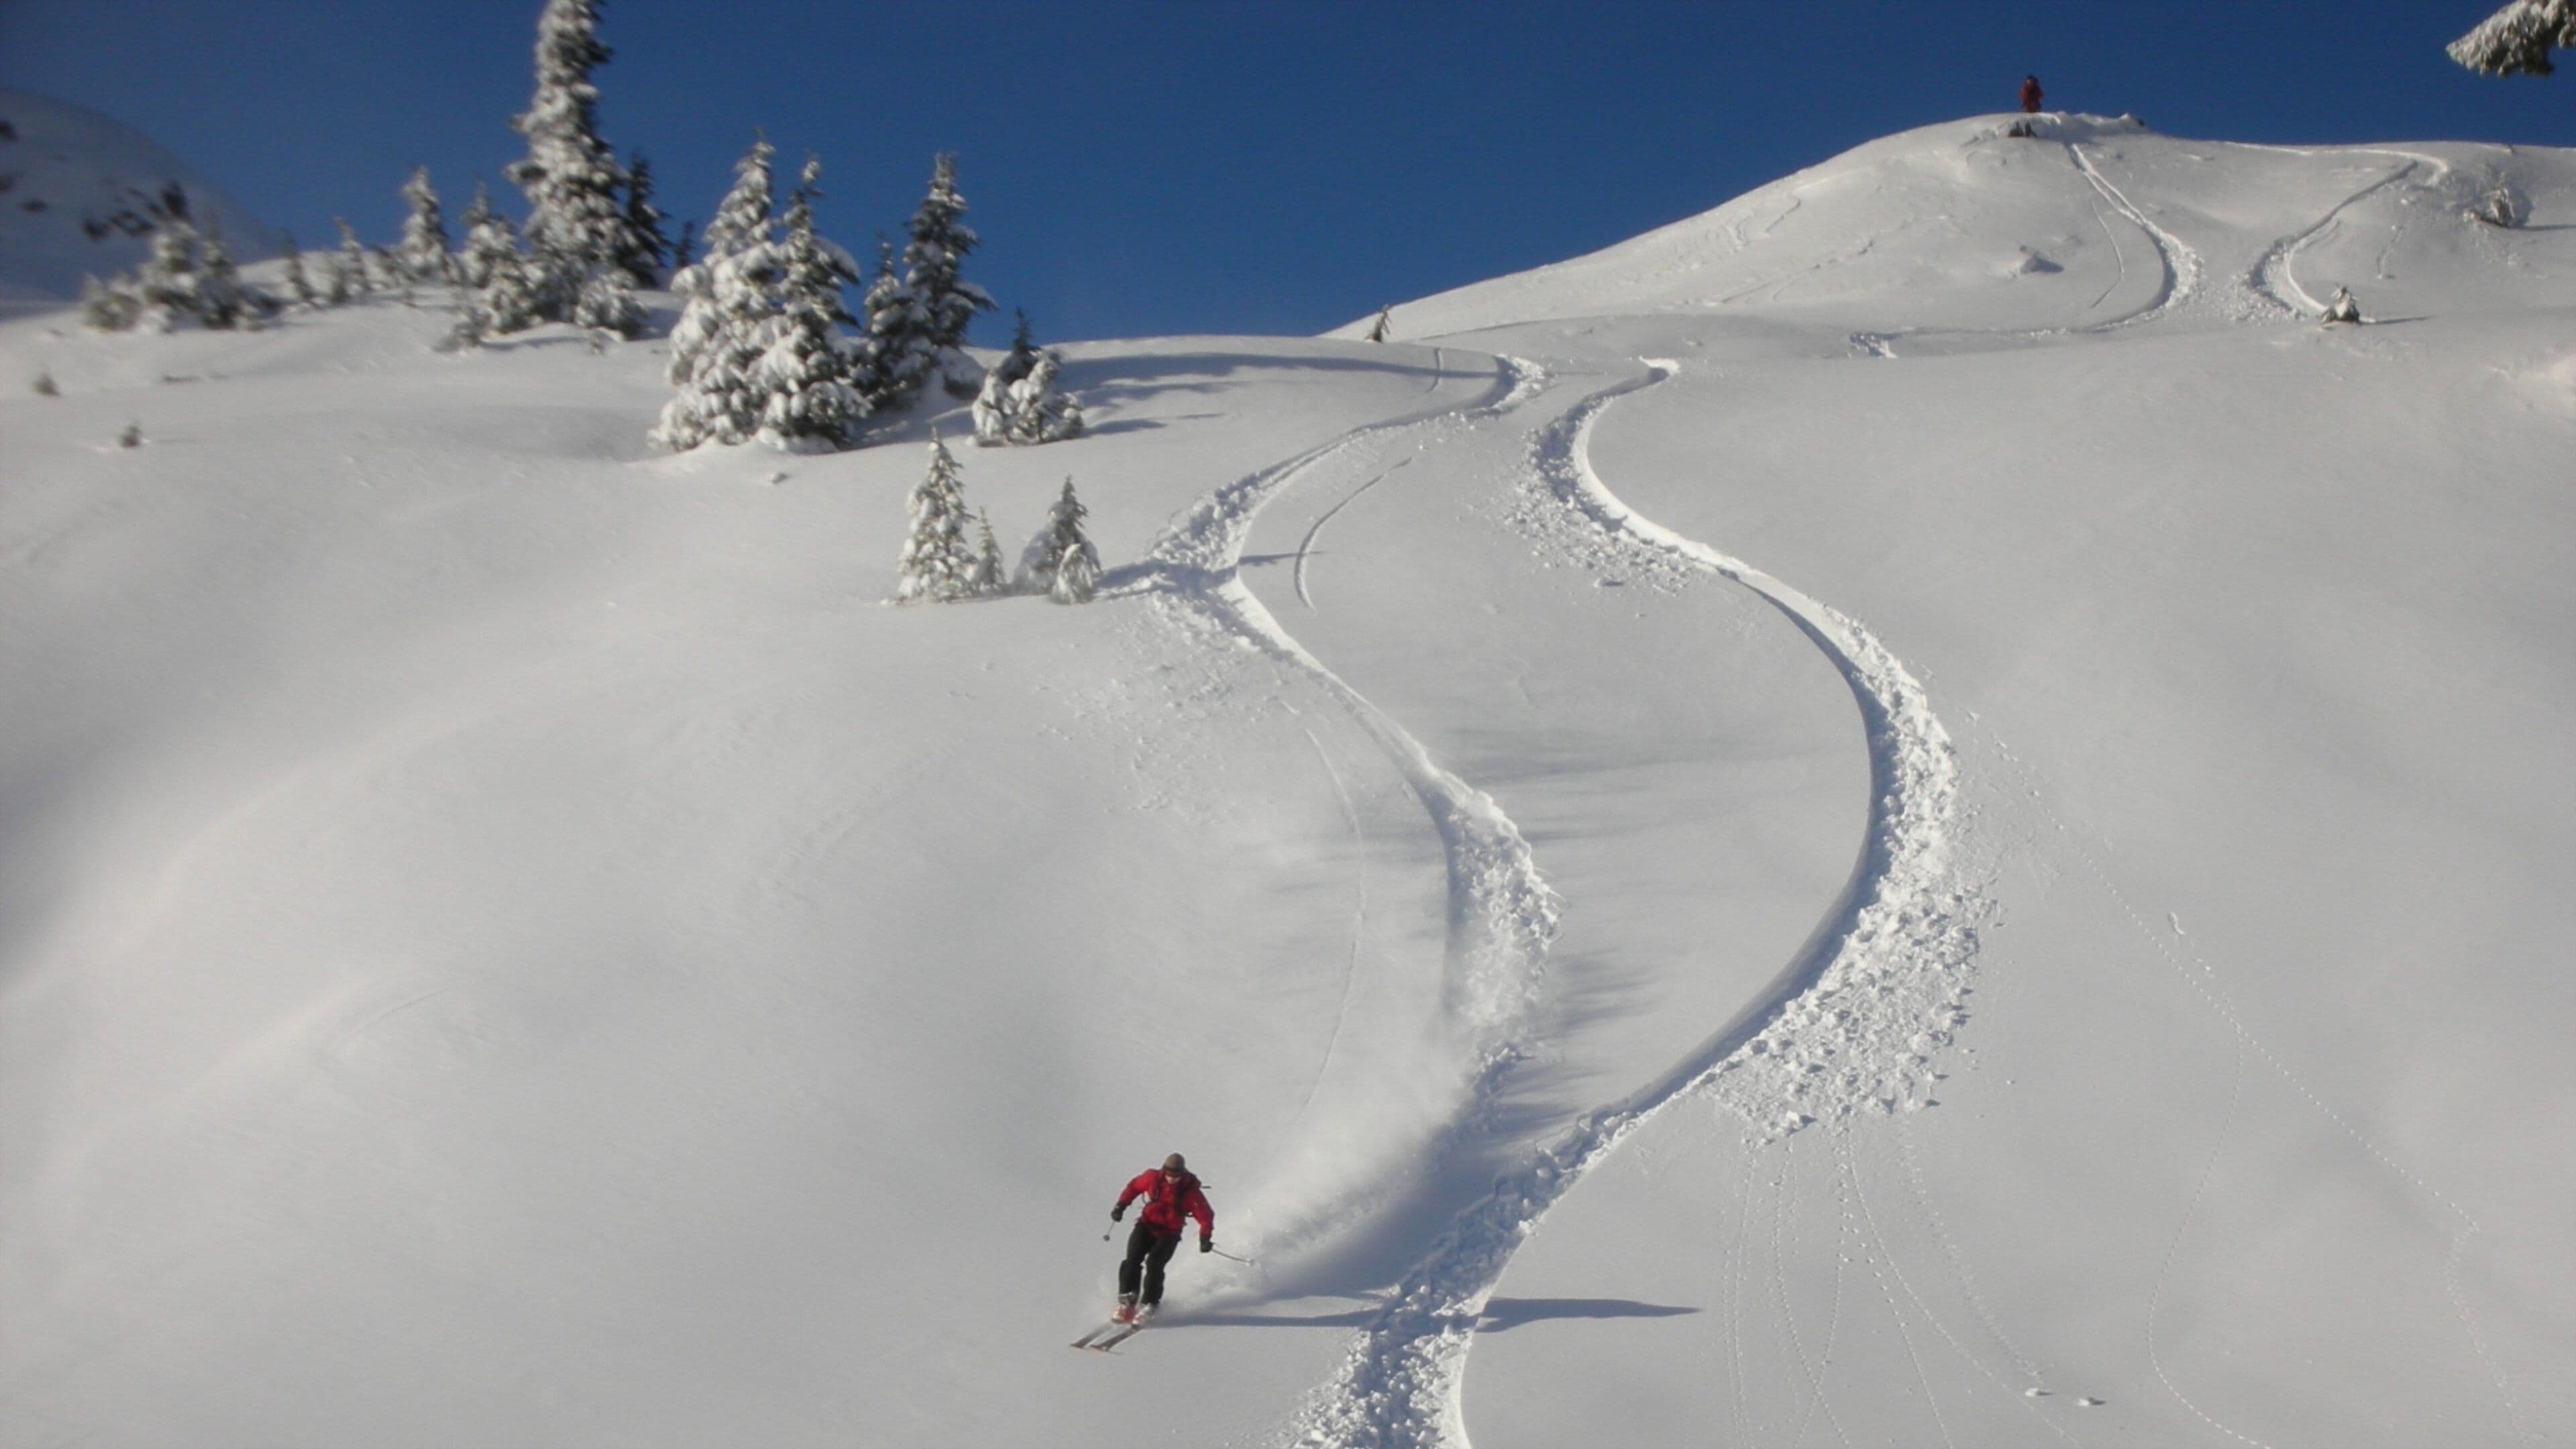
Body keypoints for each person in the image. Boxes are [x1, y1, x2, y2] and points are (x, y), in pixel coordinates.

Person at [1109, 1153, 1216, 1322]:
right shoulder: (1152, 1178)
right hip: (1146, 1225)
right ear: (1164, 1170)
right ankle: (1127, 1300)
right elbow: (1134, 1187)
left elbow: (1205, 1216)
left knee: (1155, 1265)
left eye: (1177, 1175)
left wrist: (1205, 1238)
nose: (1172, 1179)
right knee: (1132, 1260)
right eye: (1169, 1174)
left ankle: (1149, 1304)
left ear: (1183, 1173)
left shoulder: (1190, 1192)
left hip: (1169, 1233)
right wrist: (1121, 1206)